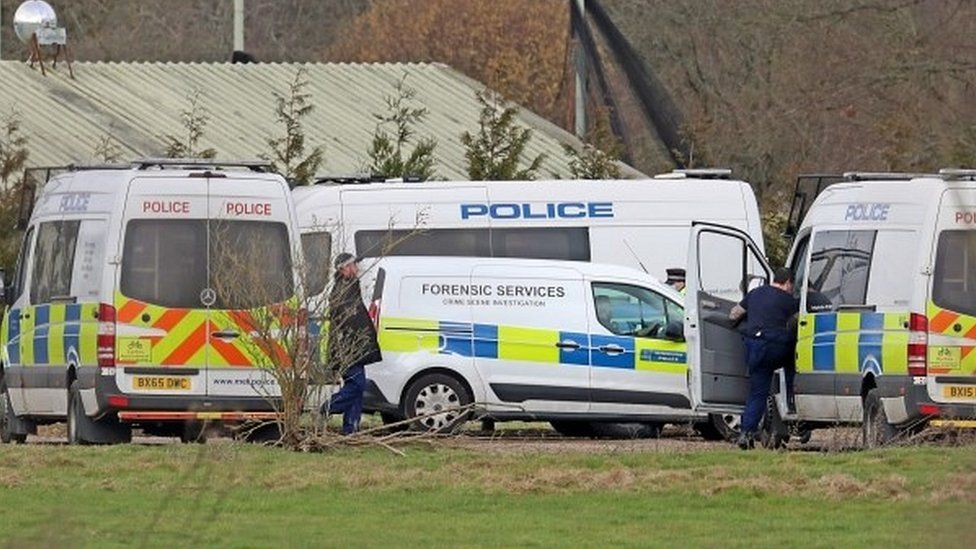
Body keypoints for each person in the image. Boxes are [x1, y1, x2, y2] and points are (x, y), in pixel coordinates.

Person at [729, 267, 799, 450]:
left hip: (754, 347)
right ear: (788, 282)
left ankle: (746, 433)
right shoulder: (789, 300)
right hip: (778, 347)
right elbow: (798, 322)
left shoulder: (754, 293)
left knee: (757, 392)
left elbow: (734, 314)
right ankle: (793, 406)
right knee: (793, 367)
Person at [320, 253, 382, 434]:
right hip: (348, 349)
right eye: (353, 265)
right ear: (344, 268)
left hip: (354, 348)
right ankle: (326, 408)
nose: (356, 268)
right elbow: (350, 322)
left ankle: (350, 429)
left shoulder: (350, 287)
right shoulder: (343, 290)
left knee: (356, 388)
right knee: (357, 385)